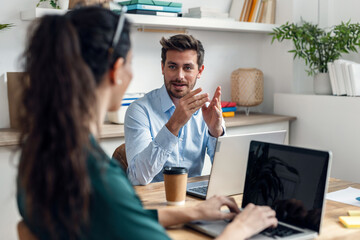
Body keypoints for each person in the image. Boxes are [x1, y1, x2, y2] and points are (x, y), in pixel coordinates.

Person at [16, 6, 277, 240]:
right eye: (131, 63)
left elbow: (117, 216)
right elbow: (117, 204)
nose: (179, 75)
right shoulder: (99, 179)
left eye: (188, 68)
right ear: (117, 71)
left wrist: (192, 212)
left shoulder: (44, 153)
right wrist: (241, 228)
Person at [125, 34, 225, 185]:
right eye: (172, 66)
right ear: (162, 67)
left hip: (194, 201)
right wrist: (174, 124)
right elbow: (137, 178)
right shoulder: (139, 110)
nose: (180, 76)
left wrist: (216, 133)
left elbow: (226, 172)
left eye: (188, 68)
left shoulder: (208, 111)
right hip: (153, 203)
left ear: (200, 71)